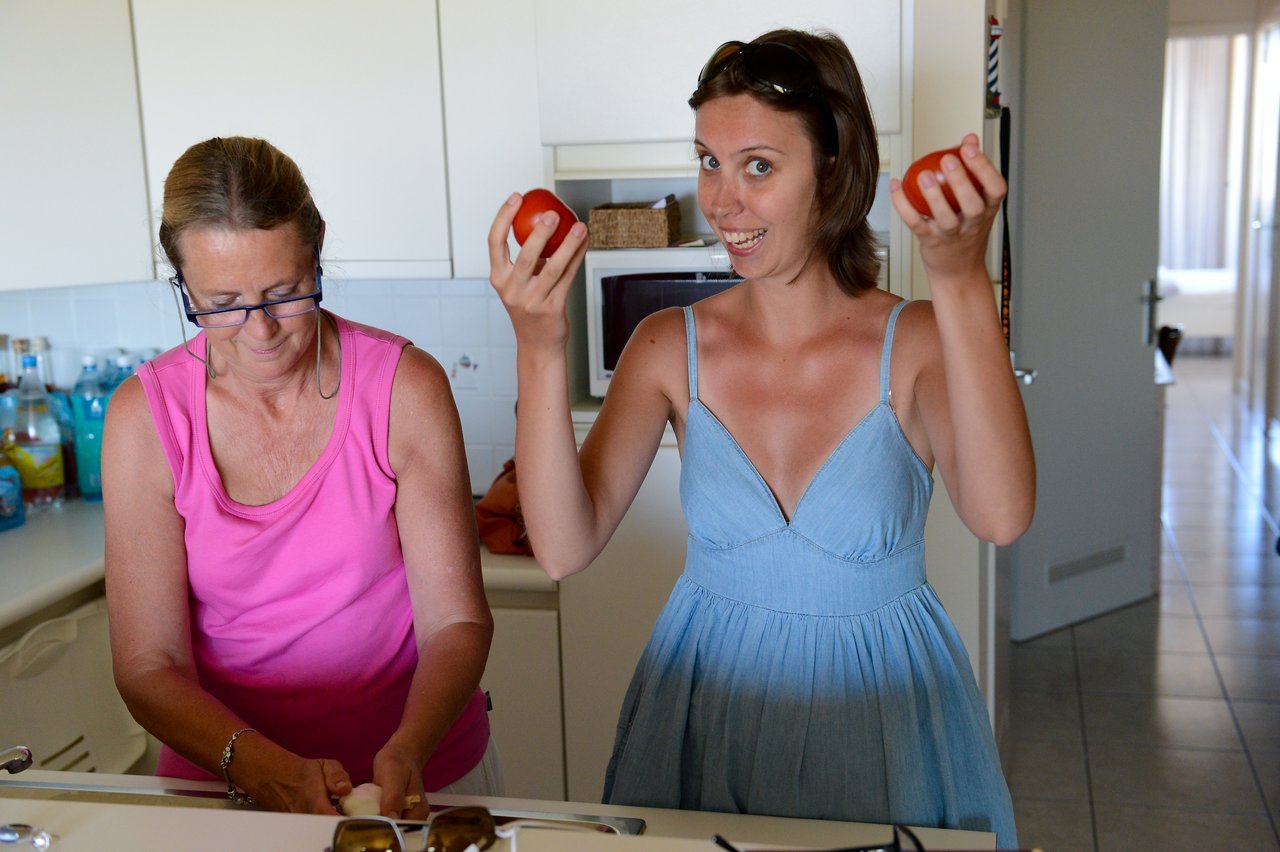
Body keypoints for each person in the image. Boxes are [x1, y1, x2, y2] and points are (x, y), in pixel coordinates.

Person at [487, 29, 1033, 845]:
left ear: (835, 172)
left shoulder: (915, 340)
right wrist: (539, 344)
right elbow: (563, 548)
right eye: (709, 160)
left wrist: (960, 280)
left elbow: (1001, 516)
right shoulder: (670, 344)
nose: (721, 200)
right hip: (705, 713)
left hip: (883, 718)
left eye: (759, 167)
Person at [103, 136, 498, 817]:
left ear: (317, 250)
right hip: (220, 787)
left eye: (286, 293)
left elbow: (457, 620)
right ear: (182, 282)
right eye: (221, 302)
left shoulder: (404, 387)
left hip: (418, 778)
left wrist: (408, 749)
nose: (258, 331)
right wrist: (259, 767)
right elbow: (147, 666)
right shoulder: (146, 418)